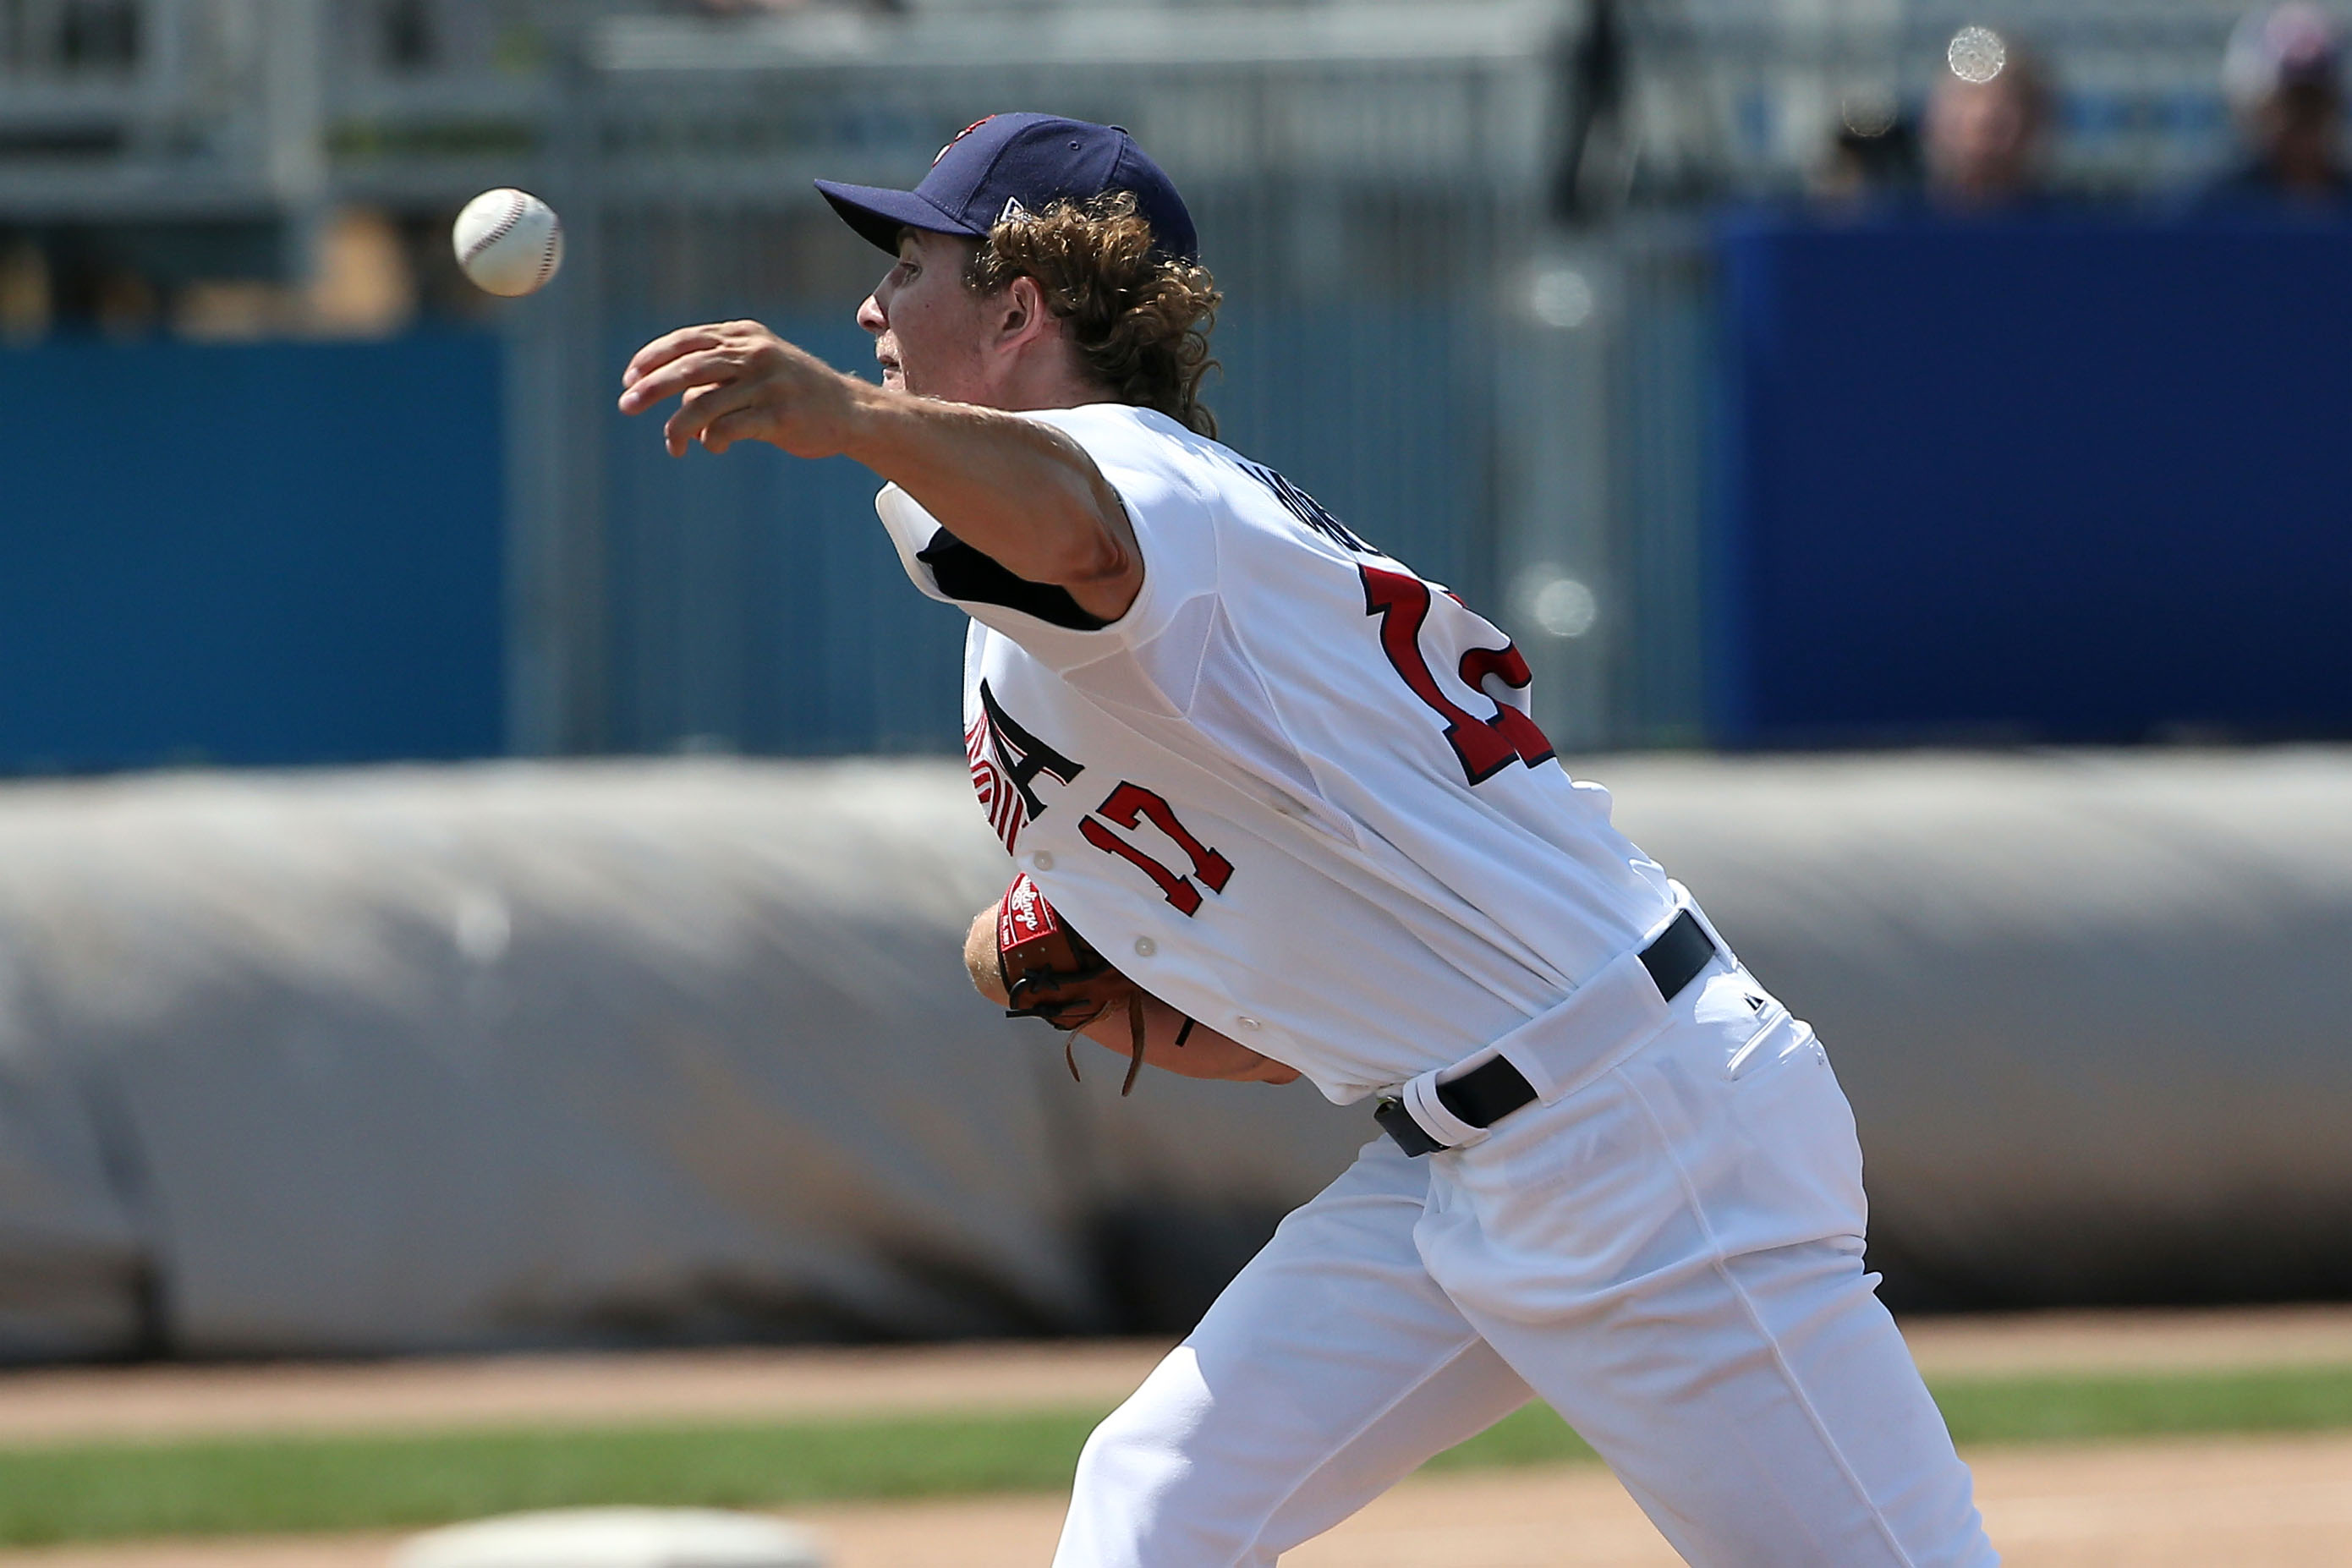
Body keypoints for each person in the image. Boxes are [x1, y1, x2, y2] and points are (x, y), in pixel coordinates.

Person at [618, 112, 1998, 1567]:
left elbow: (1087, 530)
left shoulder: (1133, 477)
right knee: (1155, 1500)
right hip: (1458, 1151)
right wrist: (1083, 938)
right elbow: (1275, 1027)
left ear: (1019, 307)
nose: (870, 306)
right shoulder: (1112, 566)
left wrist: (845, 416)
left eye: (909, 265)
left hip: (1637, 1137)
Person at [2207, 3, 2352, 207]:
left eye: (2313, 103)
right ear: (2255, 108)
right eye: (2289, 104)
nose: (2302, 121)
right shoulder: (2213, 214)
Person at [1922, 37, 2053, 211]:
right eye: (1968, 96)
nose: (1983, 115)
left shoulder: (2072, 225)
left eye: (2004, 100)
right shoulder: (1893, 221)